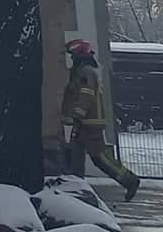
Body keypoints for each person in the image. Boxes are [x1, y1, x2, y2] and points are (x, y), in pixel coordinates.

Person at [60, 37, 140, 202]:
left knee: (100, 157)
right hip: (83, 123)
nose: (71, 58)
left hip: (90, 123)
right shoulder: (83, 70)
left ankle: (129, 180)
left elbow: (86, 96)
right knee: (75, 155)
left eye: (73, 55)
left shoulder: (86, 72)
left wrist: (76, 114)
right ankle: (75, 187)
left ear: (78, 55)